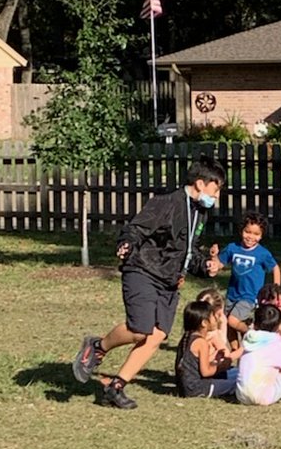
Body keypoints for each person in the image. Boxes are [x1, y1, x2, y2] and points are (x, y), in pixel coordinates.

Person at [72, 155, 225, 410]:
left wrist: (205, 265)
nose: (217, 195)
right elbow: (136, 229)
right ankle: (97, 347)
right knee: (140, 329)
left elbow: (189, 250)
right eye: (216, 188)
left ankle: (116, 386)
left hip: (170, 281)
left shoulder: (200, 213)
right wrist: (126, 244)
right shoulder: (166, 203)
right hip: (143, 271)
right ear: (200, 183)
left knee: (156, 336)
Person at [212, 211, 281, 342]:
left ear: (261, 236)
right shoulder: (232, 248)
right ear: (241, 230)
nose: (251, 237)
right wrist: (214, 256)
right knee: (227, 324)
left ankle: (253, 334)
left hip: (250, 296)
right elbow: (219, 264)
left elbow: (275, 268)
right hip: (232, 294)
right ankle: (235, 351)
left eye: (256, 234)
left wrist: (276, 289)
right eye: (247, 232)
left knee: (232, 320)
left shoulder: (262, 253)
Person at [174, 299, 238, 400]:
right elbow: (206, 372)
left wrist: (215, 361)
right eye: (212, 315)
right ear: (204, 323)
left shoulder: (187, 338)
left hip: (186, 387)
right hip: (198, 389)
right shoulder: (201, 342)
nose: (216, 318)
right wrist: (222, 366)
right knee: (240, 380)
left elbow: (197, 368)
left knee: (236, 372)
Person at [198, 286, 242, 369]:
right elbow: (227, 356)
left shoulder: (195, 330)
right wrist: (243, 349)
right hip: (210, 374)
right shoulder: (213, 335)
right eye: (220, 314)